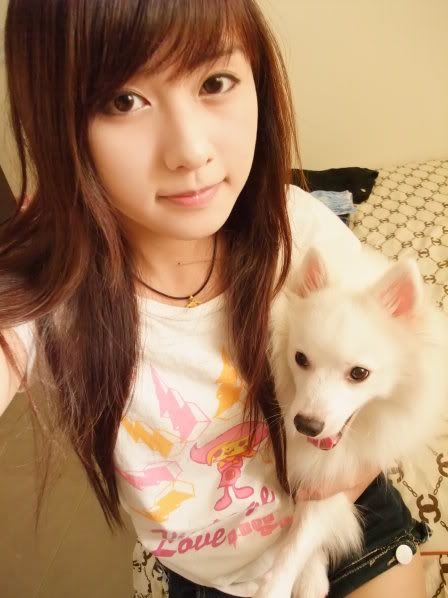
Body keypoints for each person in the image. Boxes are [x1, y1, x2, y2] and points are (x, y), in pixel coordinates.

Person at [0, 1, 428, 596]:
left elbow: (404, 358)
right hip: (210, 575)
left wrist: (353, 466)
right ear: (57, 121)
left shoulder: (296, 229)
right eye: (124, 100)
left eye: (215, 82)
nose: (191, 151)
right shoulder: (51, 292)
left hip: (352, 516)